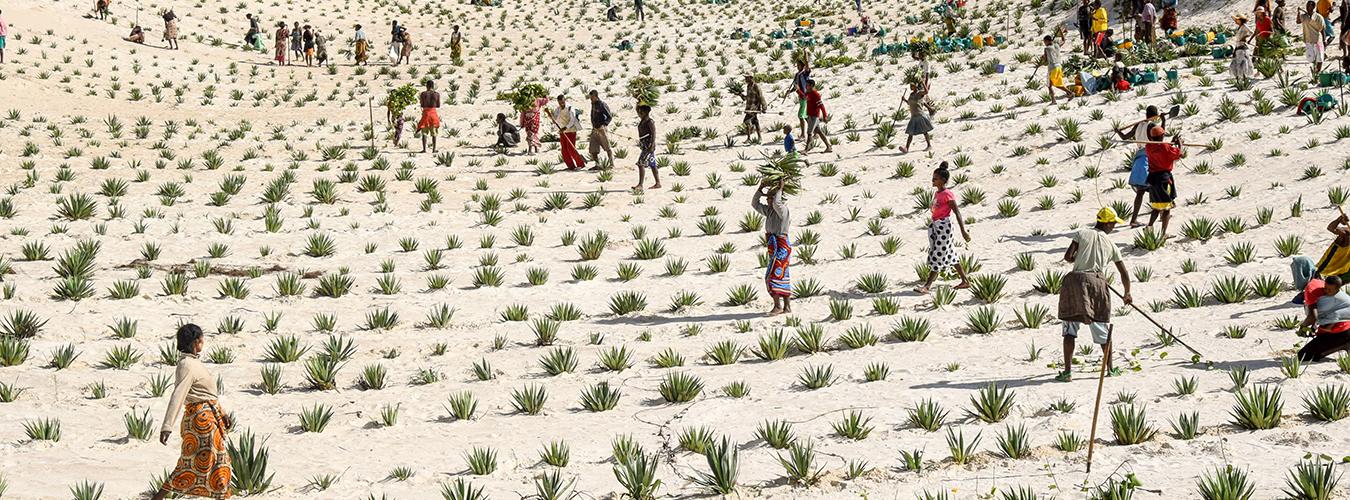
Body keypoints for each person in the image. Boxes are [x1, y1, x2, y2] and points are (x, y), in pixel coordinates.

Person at [149, 324, 232, 500]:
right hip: (202, 421)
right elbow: (179, 394)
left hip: (208, 417)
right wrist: (167, 425)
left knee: (208, 461)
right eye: (201, 339)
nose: (203, 342)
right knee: (211, 461)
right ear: (196, 341)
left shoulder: (193, 362)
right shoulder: (186, 365)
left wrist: (221, 413)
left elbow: (207, 394)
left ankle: (159, 497)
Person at [1056, 207, 1132, 381]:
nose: (1114, 226)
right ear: (1106, 223)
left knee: (1069, 328)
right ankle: (1110, 369)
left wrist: (1079, 260)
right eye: (1113, 223)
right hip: (1097, 283)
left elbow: (1068, 256)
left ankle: (1067, 373)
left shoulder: (1082, 233)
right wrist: (1127, 293)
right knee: (1101, 327)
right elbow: (1123, 272)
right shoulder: (1111, 244)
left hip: (1074, 281)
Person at [916, 162, 971, 294]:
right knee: (950, 253)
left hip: (944, 227)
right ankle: (965, 281)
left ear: (943, 180)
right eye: (933, 177)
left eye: (936, 178)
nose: (933, 180)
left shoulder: (947, 194)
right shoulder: (938, 193)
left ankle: (927, 286)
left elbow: (957, 212)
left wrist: (963, 231)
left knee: (938, 254)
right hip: (937, 226)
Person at [1114, 106, 1165, 227]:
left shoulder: (1138, 125)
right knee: (1156, 187)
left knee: (1141, 191)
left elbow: (1125, 137)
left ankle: (1134, 219)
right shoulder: (1152, 126)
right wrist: (1164, 121)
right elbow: (1159, 138)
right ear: (1156, 115)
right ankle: (1162, 213)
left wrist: (1118, 131)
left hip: (1138, 158)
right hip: (1148, 158)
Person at [753, 179, 791, 315]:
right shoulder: (769, 211)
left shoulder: (783, 210)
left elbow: (777, 203)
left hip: (781, 246)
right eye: (768, 198)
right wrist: (760, 188)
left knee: (774, 275)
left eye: (770, 197)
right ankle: (786, 307)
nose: (768, 201)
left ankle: (778, 306)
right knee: (782, 274)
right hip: (774, 246)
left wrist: (779, 189)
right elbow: (755, 204)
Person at [1292, 215, 1350, 300]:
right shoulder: (1346, 234)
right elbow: (1331, 228)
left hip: (1340, 274)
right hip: (1324, 271)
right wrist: (1339, 219)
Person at [1296, 276, 1350, 361]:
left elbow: (1312, 317)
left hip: (1340, 332)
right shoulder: (1320, 287)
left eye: (1329, 290)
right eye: (1325, 288)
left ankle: (1345, 344)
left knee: (1303, 356)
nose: (1326, 291)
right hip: (1339, 328)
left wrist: (1302, 327)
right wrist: (1314, 326)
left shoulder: (1311, 291)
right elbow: (1319, 313)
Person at [1143, 125, 1182, 239]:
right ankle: (1163, 233)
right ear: (1162, 135)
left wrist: (1171, 143)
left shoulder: (1149, 147)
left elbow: (1163, 148)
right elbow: (1178, 154)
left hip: (1152, 179)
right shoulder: (1165, 146)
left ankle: (1149, 227)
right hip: (1164, 179)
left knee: (1156, 207)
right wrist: (1180, 144)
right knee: (1166, 208)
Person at [551, 95, 587, 170]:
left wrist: (565, 128)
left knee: (571, 148)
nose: (561, 104)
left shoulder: (570, 108)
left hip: (570, 130)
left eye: (562, 102)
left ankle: (580, 164)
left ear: (565, 100)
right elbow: (555, 118)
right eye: (560, 103)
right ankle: (571, 166)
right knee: (564, 150)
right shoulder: (558, 109)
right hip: (562, 131)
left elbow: (572, 120)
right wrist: (553, 119)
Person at [902, 81, 935, 153]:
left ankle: (929, 145)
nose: (911, 87)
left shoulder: (919, 93)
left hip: (920, 115)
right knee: (910, 133)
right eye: (910, 86)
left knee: (924, 131)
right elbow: (910, 103)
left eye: (912, 85)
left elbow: (926, 91)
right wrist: (904, 100)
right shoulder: (911, 94)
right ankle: (906, 148)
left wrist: (923, 83)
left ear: (915, 86)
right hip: (913, 116)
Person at [782, 59, 811, 139]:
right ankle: (814, 130)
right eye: (797, 65)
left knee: (801, 116)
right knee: (805, 116)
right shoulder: (797, 75)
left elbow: (808, 66)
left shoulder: (804, 74)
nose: (798, 66)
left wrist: (805, 55)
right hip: (801, 97)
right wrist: (789, 91)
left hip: (805, 96)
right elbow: (796, 86)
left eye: (799, 65)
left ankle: (803, 135)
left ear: (802, 66)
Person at [634, 104, 661, 191]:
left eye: (640, 112)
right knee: (652, 165)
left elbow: (653, 134)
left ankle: (640, 185)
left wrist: (651, 145)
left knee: (640, 163)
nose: (639, 113)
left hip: (648, 146)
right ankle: (658, 183)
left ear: (645, 112)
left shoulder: (650, 122)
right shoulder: (643, 121)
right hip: (644, 145)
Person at [802, 79, 832, 153]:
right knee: (819, 131)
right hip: (810, 115)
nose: (806, 86)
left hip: (814, 116)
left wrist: (825, 116)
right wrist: (797, 90)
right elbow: (803, 97)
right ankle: (828, 146)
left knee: (809, 133)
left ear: (811, 86)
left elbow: (821, 106)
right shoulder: (808, 93)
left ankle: (806, 150)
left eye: (807, 85)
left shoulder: (815, 94)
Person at [1043, 35, 1075, 104]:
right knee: (1056, 84)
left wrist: (1043, 57)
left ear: (1047, 41)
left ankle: (1069, 94)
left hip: (1052, 68)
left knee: (1050, 85)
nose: (1044, 43)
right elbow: (1063, 40)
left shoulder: (1046, 49)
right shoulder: (1057, 45)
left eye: (1044, 41)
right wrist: (1061, 32)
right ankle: (1068, 94)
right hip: (1059, 67)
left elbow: (1045, 61)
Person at [587, 90, 615, 168]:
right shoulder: (593, 104)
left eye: (592, 97)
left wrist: (604, 125)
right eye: (590, 98)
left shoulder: (602, 104)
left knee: (607, 147)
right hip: (594, 129)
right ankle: (597, 164)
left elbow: (609, 116)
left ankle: (611, 164)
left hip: (601, 129)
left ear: (596, 96)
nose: (591, 99)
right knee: (593, 148)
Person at [1300, 0, 1328, 76]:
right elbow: (1298, 21)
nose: (1307, 7)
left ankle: (1317, 73)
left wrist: (1324, 40)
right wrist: (1298, 12)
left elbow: (1322, 29)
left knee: (1320, 58)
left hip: (1317, 39)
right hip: (1308, 39)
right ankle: (1315, 72)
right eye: (1306, 5)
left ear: (1313, 7)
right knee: (1310, 58)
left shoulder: (1318, 17)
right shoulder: (1304, 16)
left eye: (1309, 5)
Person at [417, 80, 441, 153]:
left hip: (426, 113)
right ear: (433, 86)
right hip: (433, 113)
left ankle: (424, 149)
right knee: (434, 132)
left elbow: (422, 104)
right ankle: (434, 149)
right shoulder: (436, 94)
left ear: (426, 86)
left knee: (424, 132)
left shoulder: (423, 94)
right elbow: (438, 105)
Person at [742, 75, 766, 143]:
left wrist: (764, 107)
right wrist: (741, 95)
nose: (745, 79)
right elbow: (748, 97)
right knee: (755, 122)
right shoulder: (748, 86)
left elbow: (761, 97)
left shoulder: (756, 86)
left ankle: (749, 138)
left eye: (747, 78)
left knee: (746, 121)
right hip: (749, 107)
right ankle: (758, 137)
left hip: (754, 108)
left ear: (751, 78)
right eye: (745, 78)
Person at [1233, 15, 1256, 81]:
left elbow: (1251, 32)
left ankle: (1245, 76)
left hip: (1242, 45)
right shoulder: (1239, 27)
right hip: (1238, 45)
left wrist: (1245, 37)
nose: (1235, 21)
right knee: (1239, 62)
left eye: (1236, 20)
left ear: (1240, 20)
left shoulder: (1244, 26)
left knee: (1243, 62)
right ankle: (1241, 76)